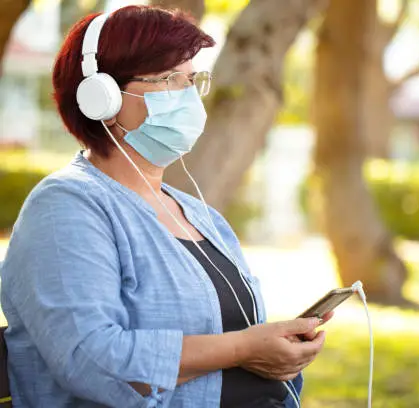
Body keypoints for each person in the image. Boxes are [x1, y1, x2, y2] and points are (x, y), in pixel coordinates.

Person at [0, 6, 331, 408]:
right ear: (100, 97)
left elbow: (238, 339)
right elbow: (91, 360)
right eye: (169, 79)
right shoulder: (65, 208)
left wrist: (281, 352)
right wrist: (243, 349)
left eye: (191, 80)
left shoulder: (200, 215)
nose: (188, 96)